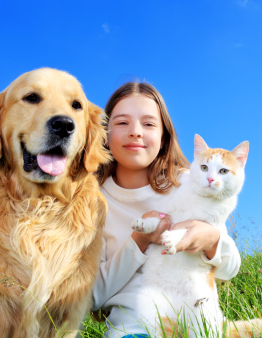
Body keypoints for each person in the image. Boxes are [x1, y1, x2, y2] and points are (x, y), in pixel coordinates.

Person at [92, 82, 241, 338]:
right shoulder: (91, 201)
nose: (136, 132)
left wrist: (211, 239)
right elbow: (93, 296)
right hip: (134, 328)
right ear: (104, 133)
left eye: (149, 124)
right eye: (122, 123)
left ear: (164, 137)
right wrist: (139, 241)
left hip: (196, 323)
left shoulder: (190, 183)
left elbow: (231, 268)